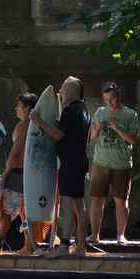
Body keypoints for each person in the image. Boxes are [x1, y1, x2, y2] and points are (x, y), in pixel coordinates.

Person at [30, 77, 91, 257]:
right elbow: (70, 132)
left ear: (72, 90)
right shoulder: (83, 109)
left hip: (70, 163)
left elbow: (58, 135)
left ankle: (64, 245)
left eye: (63, 87)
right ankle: (81, 247)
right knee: (79, 206)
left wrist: (39, 120)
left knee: (66, 203)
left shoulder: (70, 110)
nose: (60, 91)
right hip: (80, 161)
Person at [89, 82, 140, 246]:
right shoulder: (100, 112)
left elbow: (134, 140)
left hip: (122, 164)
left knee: (121, 199)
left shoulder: (131, 115)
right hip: (100, 162)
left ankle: (120, 235)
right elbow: (91, 139)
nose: (109, 103)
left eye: (111, 99)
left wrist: (116, 127)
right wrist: (96, 129)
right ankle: (95, 235)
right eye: (106, 100)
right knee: (97, 199)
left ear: (118, 96)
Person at [0, 92, 37, 254]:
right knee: (23, 210)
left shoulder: (23, 125)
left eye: (19, 106)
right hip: (30, 174)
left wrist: (6, 173)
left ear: (28, 108)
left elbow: (15, 154)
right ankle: (11, 244)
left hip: (17, 173)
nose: (16, 109)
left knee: (7, 210)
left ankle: (12, 245)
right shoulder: (37, 125)